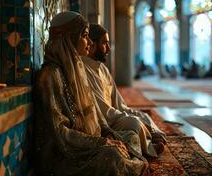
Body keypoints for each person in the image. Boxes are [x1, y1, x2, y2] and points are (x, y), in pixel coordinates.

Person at [34, 11, 148, 176]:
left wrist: (109, 134)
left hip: (90, 143)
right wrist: (101, 143)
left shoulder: (77, 69)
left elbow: (94, 113)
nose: (89, 42)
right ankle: (132, 166)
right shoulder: (50, 75)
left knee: (130, 137)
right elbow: (60, 132)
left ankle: (130, 166)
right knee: (111, 156)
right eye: (85, 36)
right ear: (69, 38)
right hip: (66, 154)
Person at [82, 23, 166, 158]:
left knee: (143, 115)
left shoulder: (103, 69)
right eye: (105, 43)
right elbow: (104, 112)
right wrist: (131, 118)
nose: (109, 48)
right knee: (134, 123)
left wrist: (136, 116)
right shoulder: (85, 71)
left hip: (114, 116)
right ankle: (149, 147)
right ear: (92, 45)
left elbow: (120, 104)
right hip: (104, 121)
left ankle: (151, 137)